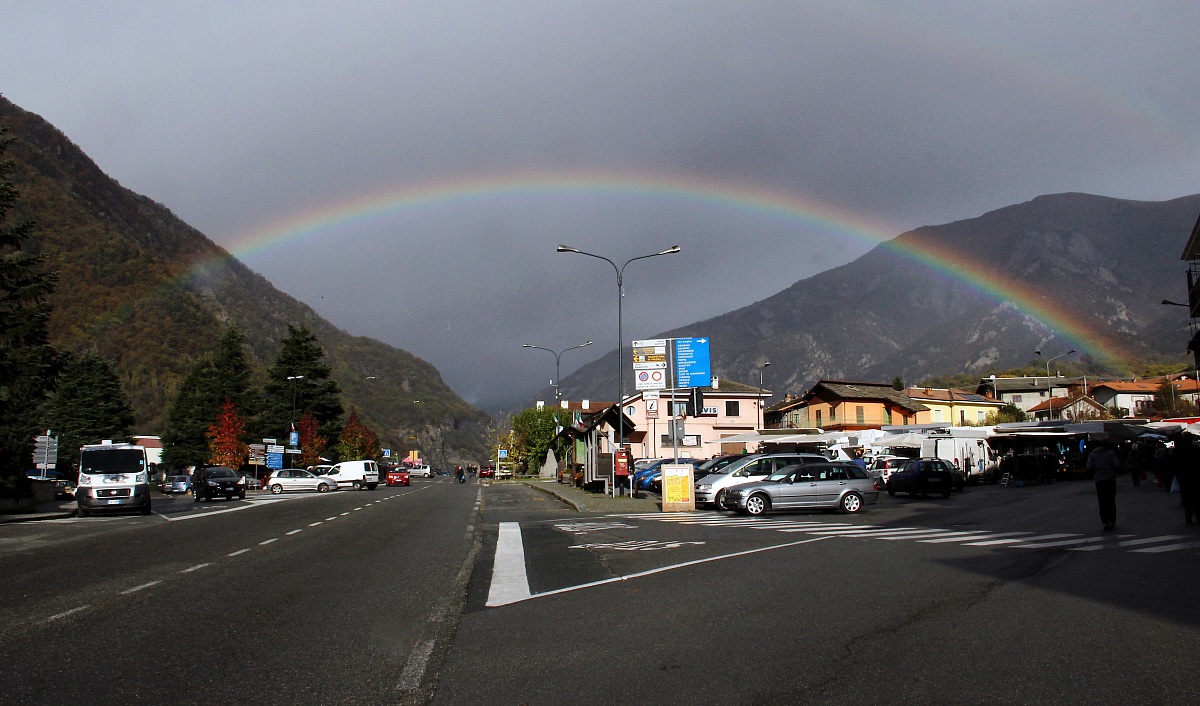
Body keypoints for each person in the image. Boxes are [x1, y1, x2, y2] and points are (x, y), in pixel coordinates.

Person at [1086, 438, 1122, 530]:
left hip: (1099, 480)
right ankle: (1112, 521)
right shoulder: (1111, 453)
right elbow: (1117, 464)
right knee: (1111, 501)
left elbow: (1089, 466)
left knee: (1102, 501)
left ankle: (1105, 521)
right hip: (1110, 479)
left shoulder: (1092, 454)